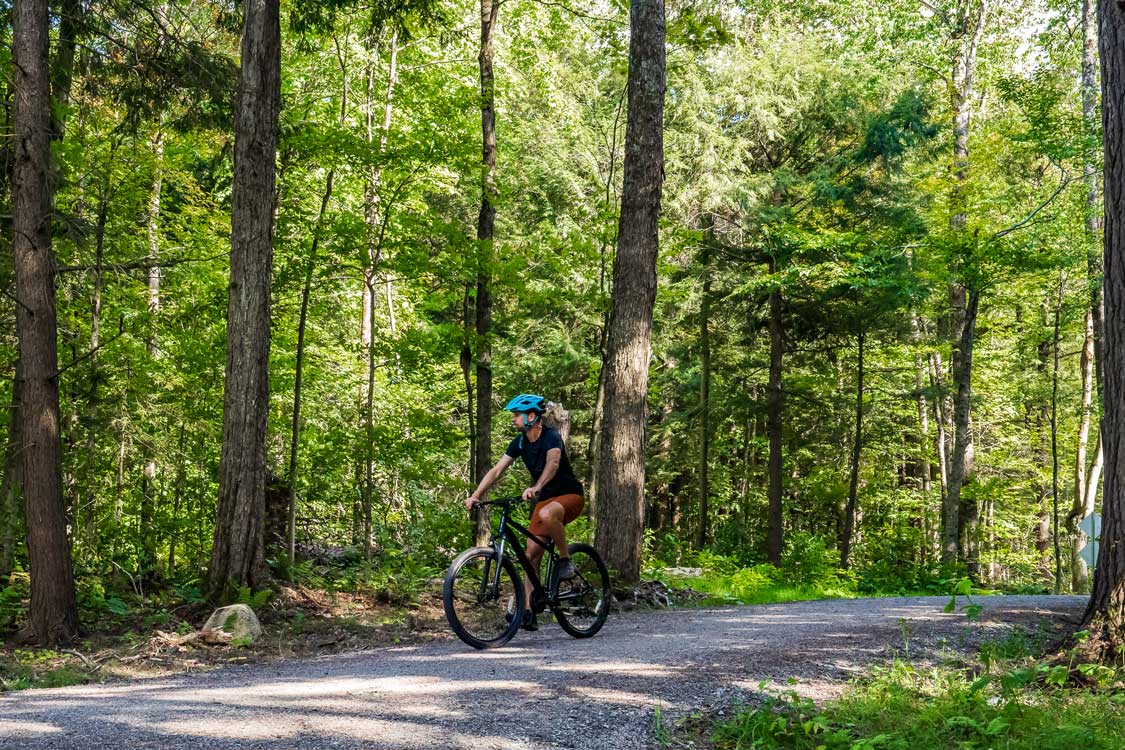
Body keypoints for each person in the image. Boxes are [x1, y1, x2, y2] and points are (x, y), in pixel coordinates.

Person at [465, 393, 584, 631]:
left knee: (547, 515)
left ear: (532, 416)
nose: (513, 419)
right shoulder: (519, 442)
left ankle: (564, 560)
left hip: (570, 495)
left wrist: (537, 487)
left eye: (516, 415)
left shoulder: (551, 437)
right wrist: (476, 495)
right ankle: (529, 611)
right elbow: (497, 470)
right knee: (531, 556)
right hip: (545, 500)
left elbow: (553, 463)